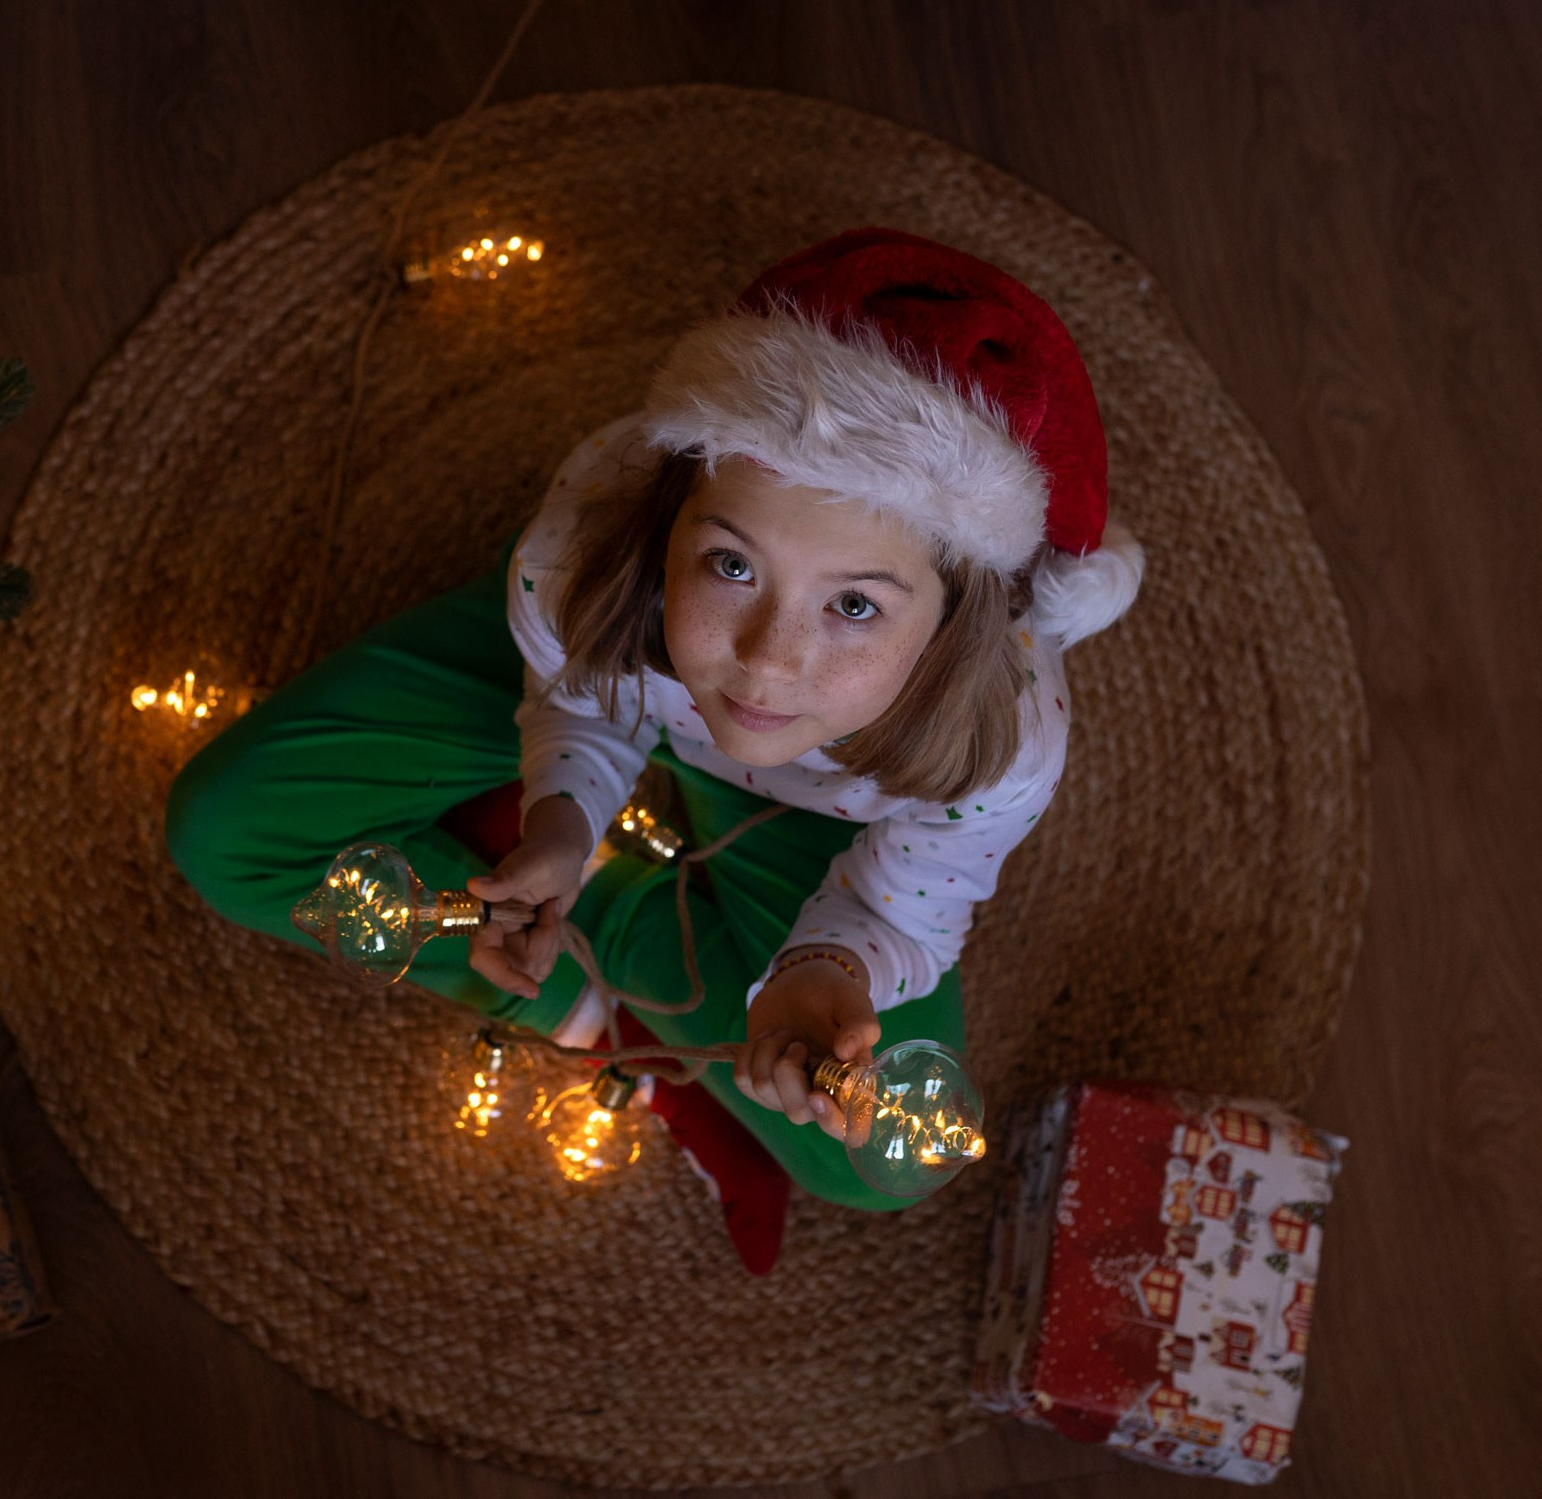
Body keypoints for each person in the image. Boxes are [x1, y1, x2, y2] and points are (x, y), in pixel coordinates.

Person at [166, 226, 1145, 1215]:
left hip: (818, 801)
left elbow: (903, 909)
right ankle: (604, 931)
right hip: (615, 654)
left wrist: (822, 970)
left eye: (854, 605)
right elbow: (581, 703)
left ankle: (610, 926)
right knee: (225, 832)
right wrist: (556, 824)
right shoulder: (577, 563)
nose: (767, 657)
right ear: (666, 523)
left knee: (864, 1161)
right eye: (731, 564)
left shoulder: (998, 744)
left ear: (955, 625)